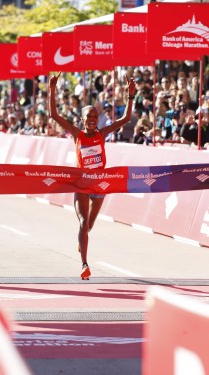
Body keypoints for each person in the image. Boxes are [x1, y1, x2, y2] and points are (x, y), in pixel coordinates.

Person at [49, 72, 136, 280]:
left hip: (99, 185)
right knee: (82, 222)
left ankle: (83, 240)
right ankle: (84, 264)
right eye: (88, 116)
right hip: (81, 184)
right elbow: (54, 115)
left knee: (89, 226)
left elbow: (126, 118)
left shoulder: (102, 134)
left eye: (95, 116)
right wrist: (52, 89)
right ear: (82, 120)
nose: (92, 119)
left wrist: (131, 96)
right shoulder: (77, 135)